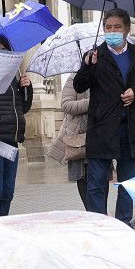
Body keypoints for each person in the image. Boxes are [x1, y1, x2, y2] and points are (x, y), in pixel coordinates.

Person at [73, 8, 135, 224]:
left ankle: (124, 224)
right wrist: (88, 66)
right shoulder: (95, 55)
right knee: (96, 182)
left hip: (129, 126)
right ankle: (99, 224)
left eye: (117, 27)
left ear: (126, 30)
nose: (112, 31)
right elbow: (79, 85)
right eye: (108, 27)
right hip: (101, 128)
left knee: (127, 182)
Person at [0, 36, 33, 217]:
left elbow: (23, 108)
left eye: (3, 49)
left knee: (7, 193)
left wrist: (26, 88)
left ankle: (2, 226)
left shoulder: (13, 78)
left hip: (12, 141)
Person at [49, 80, 90, 209]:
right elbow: (66, 105)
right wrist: (92, 102)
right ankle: (91, 212)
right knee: (82, 176)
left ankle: (100, 212)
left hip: (100, 134)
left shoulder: (105, 75)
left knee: (102, 176)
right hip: (76, 137)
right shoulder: (74, 78)